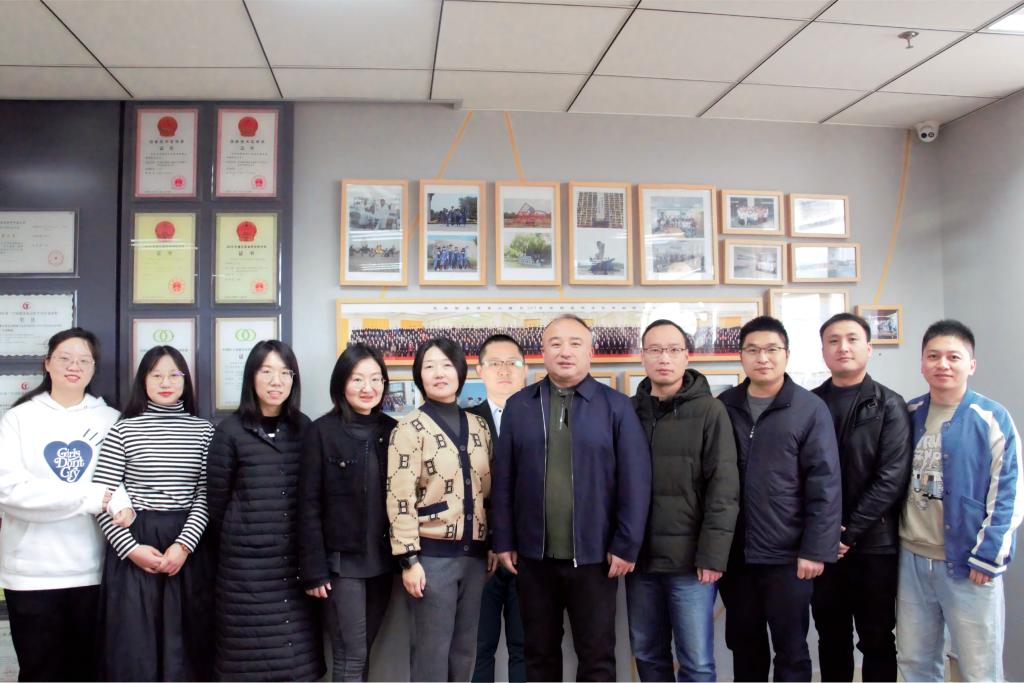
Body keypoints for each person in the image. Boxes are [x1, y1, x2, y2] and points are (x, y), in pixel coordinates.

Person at [491, 314, 651, 682]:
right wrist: (504, 540)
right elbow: (503, 479)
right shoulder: (520, 405)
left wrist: (626, 544)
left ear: (590, 352)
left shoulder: (616, 407)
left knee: (596, 657)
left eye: (575, 343)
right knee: (538, 654)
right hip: (533, 558)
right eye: (556, 343)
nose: (565, 352)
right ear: (542, 352)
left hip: (596, 558)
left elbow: (635, 481)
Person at [896, 320, 1022, 682]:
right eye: (933, 356)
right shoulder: (908, 413)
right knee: (915, 662)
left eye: (954, 357)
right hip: (911, 560)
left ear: (971, 364)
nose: (943, 364)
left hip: (970, 564)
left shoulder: (991, 418)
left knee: (979, 669)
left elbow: (1009, 492)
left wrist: (989, 555)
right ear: (922, 363)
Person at [717, 316, 841, 682]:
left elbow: (825, 484)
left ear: (786, 354)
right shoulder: (724, 406)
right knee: (744, 646)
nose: (763, 358)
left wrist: (816, 550)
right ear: (741, 355)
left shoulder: (809, 408)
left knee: (791, 649)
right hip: (736, 556)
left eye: (772, 349)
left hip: (789, 557)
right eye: (753, 350)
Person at [0, 328, 119, 682]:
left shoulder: (111, 420)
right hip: (30, 575)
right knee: (39, 673)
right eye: (65, 358)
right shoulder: (19, 419)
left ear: (94, 368)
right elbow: (10, 491)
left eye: (84, 360)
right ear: (47, 364)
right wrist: (90, 498)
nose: (74, 366)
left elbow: (120, 491)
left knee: (90, 673)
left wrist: (103, 499)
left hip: (95, 572)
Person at [92, 346, 215, 681]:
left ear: (185, 381)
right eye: (156, 375)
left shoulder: (204, 431)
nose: (165, 382)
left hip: (188, 544)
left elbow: (206, 495)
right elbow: (101, 497)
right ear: (143, 381)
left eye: (174, 374)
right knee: (134, 648)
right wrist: (130, 549)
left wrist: (184, 546)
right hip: (135, 540)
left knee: (187, 646)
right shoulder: (123, 430)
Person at [628, 319, 739, 682]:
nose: (665, 358)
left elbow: (724, 489)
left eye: (674, 350)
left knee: (696, 663)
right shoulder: (628, 411)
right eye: (655, 350)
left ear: (687, 356)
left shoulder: (710, 412)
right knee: (647, 654)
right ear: (643, 356)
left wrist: (712, 556)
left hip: (691, 565)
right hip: (640, 562)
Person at [206, 340, 323, 681]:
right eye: (266, 371)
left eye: (285, 373)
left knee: (296, 661)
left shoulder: (305, 428)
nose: (276, 381)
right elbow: (217, 505)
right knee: (245, 662)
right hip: (245, 571)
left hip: (293, 566)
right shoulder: (229, 432)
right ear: (251, 377)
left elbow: (315, 495)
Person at [810, 314, 912, 682]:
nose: (843, 347)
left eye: (852, 339)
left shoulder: (890, 404)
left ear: (868, 348)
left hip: (875, 545)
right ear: (823, 351)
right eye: (833, 340)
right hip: (822, 546)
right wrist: (826, 534)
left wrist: (847, 533)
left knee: (877, 638)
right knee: (830, 637)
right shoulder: (809, 403)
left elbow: (891, 477)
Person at [387, 338, 492, 681]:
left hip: (475, 558)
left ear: (460, 372)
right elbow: (400, 497)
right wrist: (408, 559)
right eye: (429, 366)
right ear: (419, 375)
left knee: (464, 654)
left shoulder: (479, 427)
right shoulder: (408, 428)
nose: (439, 373)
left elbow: (487, 490)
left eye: (447, 365)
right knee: (431, 656)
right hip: (431, 560)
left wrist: (492, 542)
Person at [298, 343, 397, 681]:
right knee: (350, 656)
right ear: (341, 383)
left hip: (382, 562)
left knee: (361, 651)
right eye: (357, 379)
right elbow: (308, 504)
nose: (368, 387)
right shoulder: (321, 431)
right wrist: (314, 570)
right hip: (341, 566)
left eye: (376, 379)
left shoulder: (392, 430)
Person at [469, 335, 527, 683]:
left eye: (513, 363)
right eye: (495, 363)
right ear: (480, 370)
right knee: (479, 648)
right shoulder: (465, 421)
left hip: (529, 556)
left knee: (526, 647)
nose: (504, 370)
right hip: (480, 557)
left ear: (525, 369)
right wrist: (491, 540)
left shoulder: (542, 417)